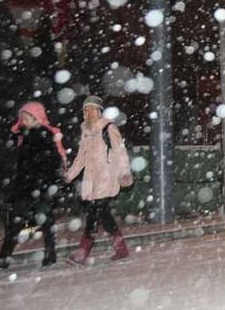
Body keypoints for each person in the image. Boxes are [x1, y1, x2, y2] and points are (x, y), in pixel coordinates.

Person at [63, 96, 133, 265]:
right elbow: (81, 156)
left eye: (93, 109)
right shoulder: (85, 130)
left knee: (93, 215)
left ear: (100, 111)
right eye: (86, 109)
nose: (89, 112)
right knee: (104, 215)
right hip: (91, 179)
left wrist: (124, 173)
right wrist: (70, 174)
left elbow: (120, 152)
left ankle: (83, 252)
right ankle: (121, 248)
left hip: (106, 177)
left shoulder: (108, 127)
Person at [1, 101, 68, 269]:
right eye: (22, 117)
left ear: (36, 117)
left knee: (39, 221)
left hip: (39, 187)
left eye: (26, 117)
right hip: (29, 187)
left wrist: (41, 180)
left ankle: (46, 254)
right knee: (27, 222)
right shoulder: (25, 135)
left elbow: (53, 162)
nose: (23, 120)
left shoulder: (42, 135)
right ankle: (6, 256)